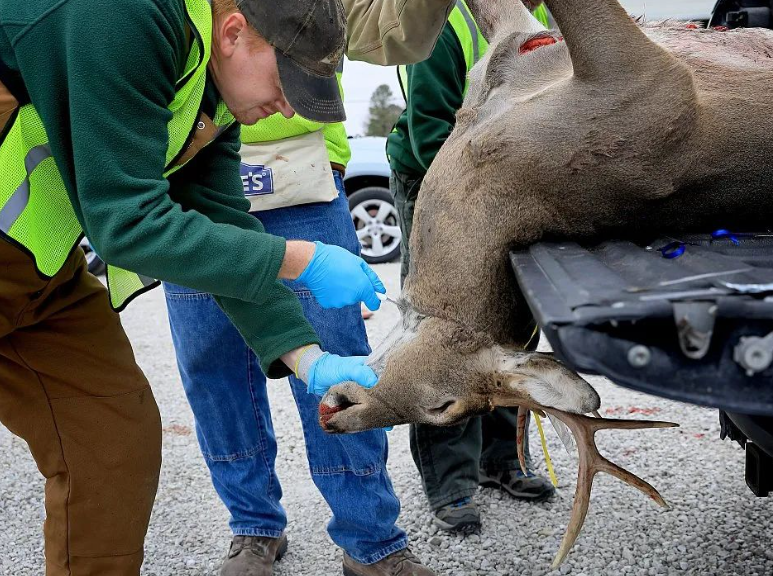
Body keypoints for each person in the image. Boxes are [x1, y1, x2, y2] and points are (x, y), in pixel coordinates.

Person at [0, 0, 456, 574]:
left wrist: (308, 358)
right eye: (287, 81)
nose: (289, 107)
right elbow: (128, 221)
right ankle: (255, 525)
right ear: (234, 31)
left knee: (112, 439)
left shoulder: (207, 86)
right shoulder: (121, 16)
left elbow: (217, 226)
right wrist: (302, 259)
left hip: (37, 269)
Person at [164, 57, 434, 576]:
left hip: (303, 182)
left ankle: (372, 540)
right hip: (189, 181)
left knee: (340, 374)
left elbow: (380, 29)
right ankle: (254, 526)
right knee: (213, 374)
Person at [386, 0, 557, 534]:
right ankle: (450, 480)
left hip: (510, 190)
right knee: (447, 332)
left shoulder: (552, 21)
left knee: (512, 326)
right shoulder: (445, 24)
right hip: (438, 182)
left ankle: (503, 458)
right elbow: (429, 134)